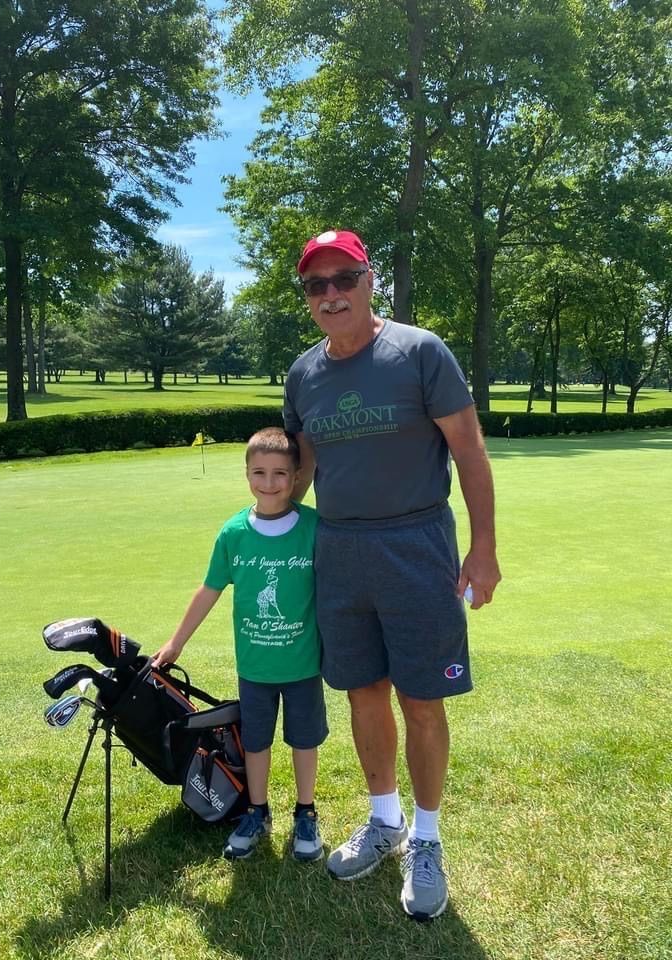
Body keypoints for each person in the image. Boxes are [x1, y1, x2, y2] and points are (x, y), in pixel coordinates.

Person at [284, 229, 501, 920]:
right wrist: (268, 526)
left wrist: (483, 549)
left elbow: (469, 451)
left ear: (369, 279)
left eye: (343, 278)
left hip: (417, 543)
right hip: (340, 550)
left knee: (421, 698)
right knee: (363, 690)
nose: (331, 294)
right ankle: (385, 821)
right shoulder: (302, 374)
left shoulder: (419, 351)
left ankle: (427, 840)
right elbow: (304, 465)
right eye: (316, 285)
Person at [153, 427, 328, 863]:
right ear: (247, 474)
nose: (269, 483)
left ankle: (305, 812)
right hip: (255, 667)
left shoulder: (313, 527)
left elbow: (338, 590)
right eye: (259, 473)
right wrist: (176, 643)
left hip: (304, 664)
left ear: (296, 475)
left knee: (304, 740)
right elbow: (209, 590)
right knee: (255, 742)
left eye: (280, 473)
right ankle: (257, 811)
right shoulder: (234, 532)